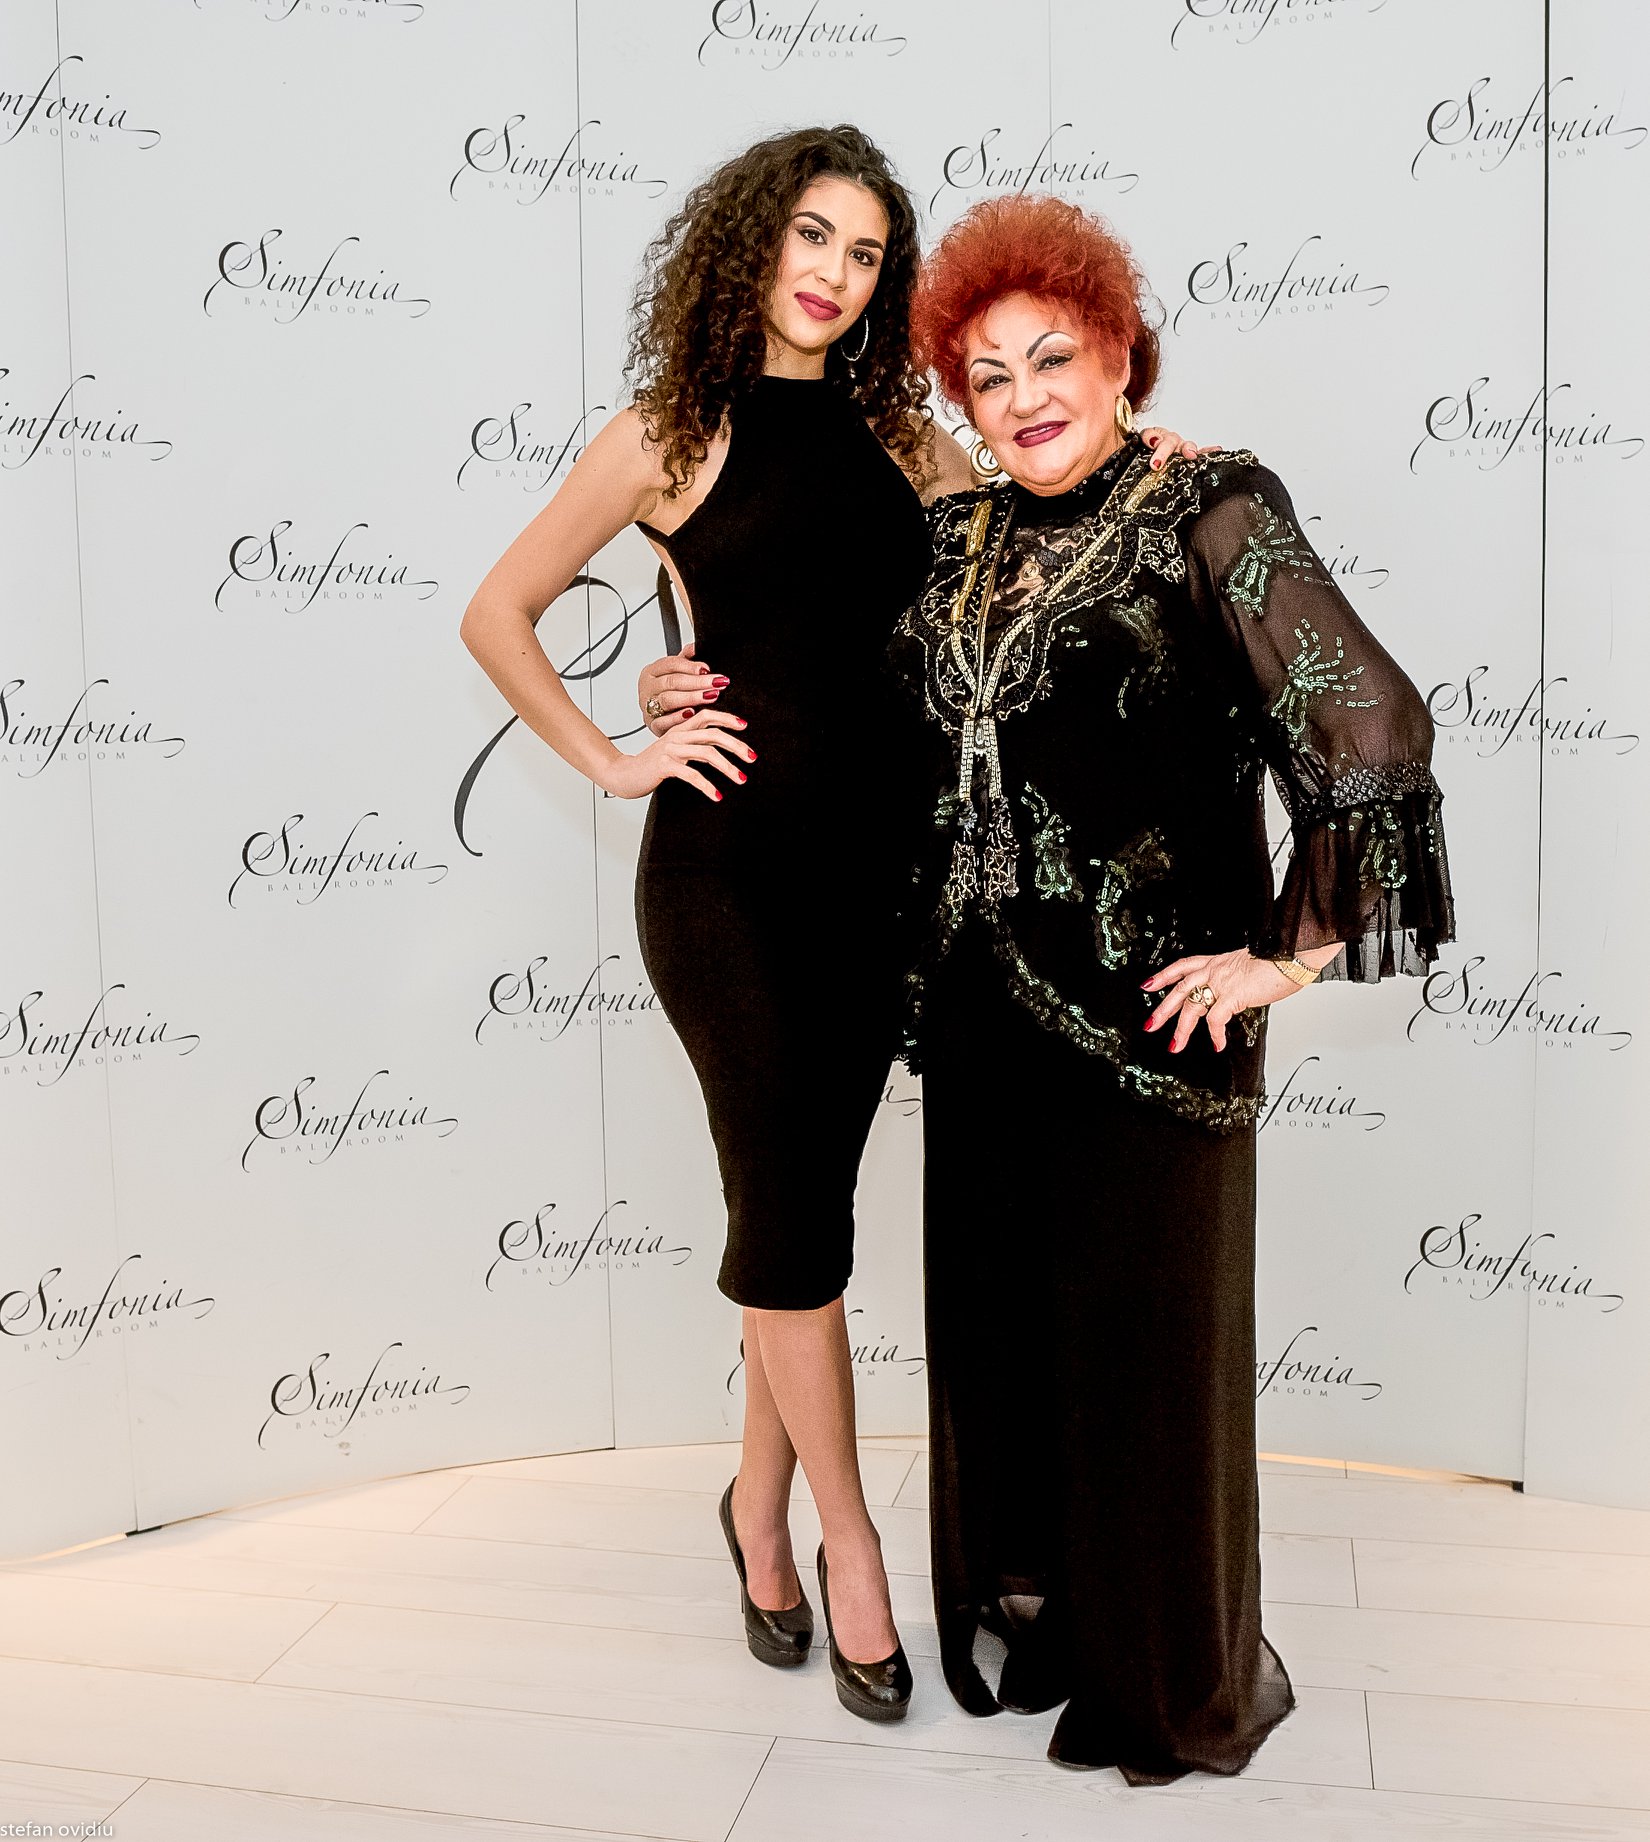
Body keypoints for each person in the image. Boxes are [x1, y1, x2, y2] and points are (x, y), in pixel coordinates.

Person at [465, 125, 1205, 1724]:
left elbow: (1050, 510)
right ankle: (845, 1544)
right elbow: (495, 609)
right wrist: (618, 748)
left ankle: (752, 1508)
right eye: (812, 234)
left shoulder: (906, 441)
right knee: (792, 1228)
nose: (834, 272)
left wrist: (1162, 464)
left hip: (884, 894)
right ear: (749, 238)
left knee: (792, 1222)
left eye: (865, 253)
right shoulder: (664, 434)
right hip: (725, 883)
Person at [882, 193, 1456, 1783]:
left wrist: (1286, 954)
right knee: (1011, 1341)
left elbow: (1367, 721)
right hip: (985, 1014)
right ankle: (1057, 1624)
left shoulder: (1211, 503)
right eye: (987, 376)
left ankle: (1163, 1682)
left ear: (1120, 353)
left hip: (1151, 1020)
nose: (1023, 397)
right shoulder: (959, 535)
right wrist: (669, 675)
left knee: (1147, 1359)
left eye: (1051, 357)